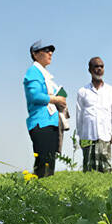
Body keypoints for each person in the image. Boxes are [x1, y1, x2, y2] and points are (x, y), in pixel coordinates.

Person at [23, 40, 67, 178]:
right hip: (41, 122)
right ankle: (39, 191)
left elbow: (59, 95)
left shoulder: (47, 76)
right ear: (35, 54)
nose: (50, 53)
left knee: (50, 160)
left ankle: (46, 192)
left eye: (51, 50)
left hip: (51, 121)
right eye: (46, 50)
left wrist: (61, 98)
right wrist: (56, 99)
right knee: (43, 160)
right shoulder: (33, 72)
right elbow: (35, 96)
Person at [75, 57, 112, 172]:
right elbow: (79, 115)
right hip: (87, 136)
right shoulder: (82, 91)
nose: (99, 69)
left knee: (105, 169)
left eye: (101, 66)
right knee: (88, 169)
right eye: (96, 66)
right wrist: (79, 137)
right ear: (90, 69)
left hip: (105, 136)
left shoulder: (111, 91)